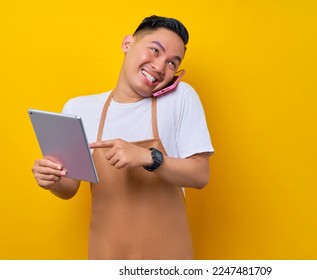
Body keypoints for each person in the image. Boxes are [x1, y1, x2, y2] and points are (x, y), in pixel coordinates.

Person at [31, 15, 214, 260]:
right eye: (154, 50)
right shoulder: (79, 109)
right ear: (128, 44)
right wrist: (50, 179)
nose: (160, 67)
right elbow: (69, 188)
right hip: (106, 257)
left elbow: (200, 174)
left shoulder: (180, 97)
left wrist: (148, 158)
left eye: (172, 63)